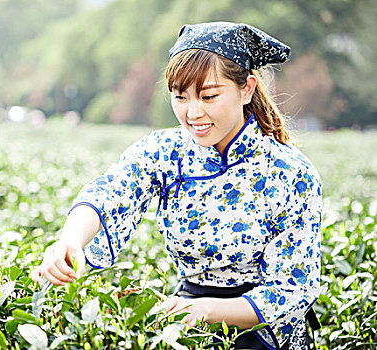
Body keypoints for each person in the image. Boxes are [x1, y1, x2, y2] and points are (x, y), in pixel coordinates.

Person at [32, 22, 322, 350]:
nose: (193, 113)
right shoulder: (166, 152)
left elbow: (292, 288)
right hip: (189, 324)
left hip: (267, 333)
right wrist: (69, 241)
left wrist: (207, 310)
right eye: (180, 97)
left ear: (246, 89)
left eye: (209, 96)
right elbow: (111, 192)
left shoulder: (290, 172)